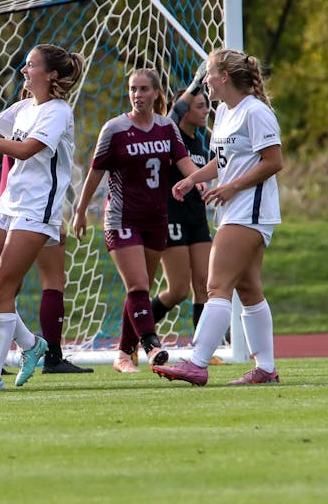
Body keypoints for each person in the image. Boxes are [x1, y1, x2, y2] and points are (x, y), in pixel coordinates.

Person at [0, 44, 83, 392]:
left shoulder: (57, 112)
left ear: (50, 74)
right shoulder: (24, 107)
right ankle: (31, 343)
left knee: (1, 287)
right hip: (10, 203)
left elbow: (24, 149)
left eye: (30, 65)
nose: (24, 70)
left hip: (38, 208)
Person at [152, 50, 284, 387]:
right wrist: (192, 178)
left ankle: (197, 362)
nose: (205, 80)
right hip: (235, 208)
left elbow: (273, 162)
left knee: (216, 286)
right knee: (249, 288)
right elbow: (223, 161)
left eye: (208, 73)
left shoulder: (255, 112)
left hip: (250, 210)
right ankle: (265, 368)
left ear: (224, 76)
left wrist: (232, 188)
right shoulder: (225, 111)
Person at [72, 68, 198, 373]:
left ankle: (122, 354)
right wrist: (80, 209)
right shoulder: (114, 129)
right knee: (138, 284)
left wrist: (201, 181)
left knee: (138, 291)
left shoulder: (167, 127)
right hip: (121, 218)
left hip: (156, 220)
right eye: (132, 89)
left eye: (143, 89)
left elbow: (183, 162)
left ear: (156, 93)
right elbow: (96, 171)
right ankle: (152, 346)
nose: (137, 95)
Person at [0, 154, 93, 376]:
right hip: (34, 210)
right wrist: (54, 218)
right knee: (48, 280)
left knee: (0, 286)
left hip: (8, 207)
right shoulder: (43, 125)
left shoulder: (16, 127)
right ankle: (52, 357)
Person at [147, 66, 215, 366]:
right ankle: (140, 332)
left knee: (205, 284)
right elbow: (177, 108)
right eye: (200, 106)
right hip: (171, 217)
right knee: (177, 291)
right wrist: (199, 79)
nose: (205, 111)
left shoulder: (202, 140)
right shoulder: (171, 132)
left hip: (197, 218)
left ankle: (203, 350)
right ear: (186, 110)